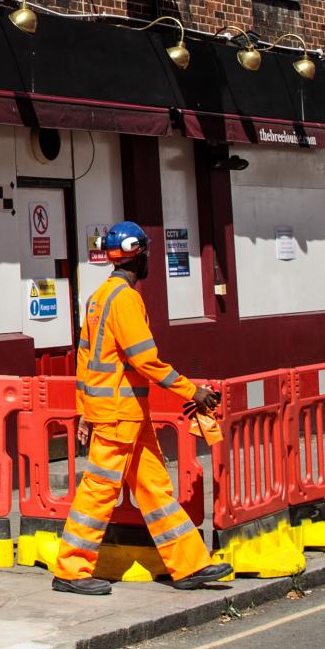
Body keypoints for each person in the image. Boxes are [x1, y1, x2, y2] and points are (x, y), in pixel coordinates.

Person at [51, 222, 235, 597]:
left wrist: (84, 409)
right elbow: (144, 359)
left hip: (123, 413)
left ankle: (189, 566)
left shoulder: (100, 296)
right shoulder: (125, 300)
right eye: (148, 252)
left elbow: (86, 359)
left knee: (155, 488)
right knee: (99, 490)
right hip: (118, 415)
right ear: (140, 255)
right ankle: (71, 569)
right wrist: (191, 390)